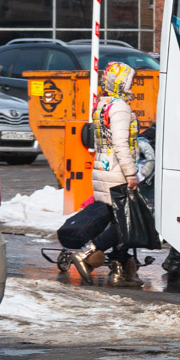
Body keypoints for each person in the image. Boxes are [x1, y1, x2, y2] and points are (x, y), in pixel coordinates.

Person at [59, 61, 142, 285]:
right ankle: (88, 254)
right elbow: (121, 144)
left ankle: (120, 270)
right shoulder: (121, 107)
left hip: (102, 168)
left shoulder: (102, 104)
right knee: (126, 223)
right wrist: (131, 173)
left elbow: (99, 140)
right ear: (122, 82)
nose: (132, 84)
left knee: (118, 220)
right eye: (130, 80)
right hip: (117, 172)